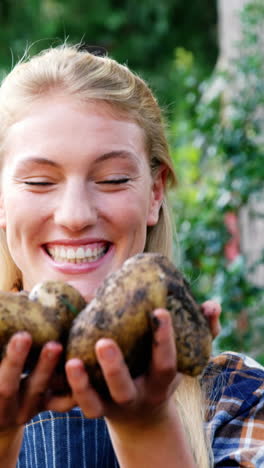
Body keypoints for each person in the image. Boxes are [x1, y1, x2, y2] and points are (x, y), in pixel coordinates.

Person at [0, 44, 262, 468]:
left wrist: (148, 426)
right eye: (38, 181)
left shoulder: (238, 396)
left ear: (155, 193)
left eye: (113, 179)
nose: (75, 216)